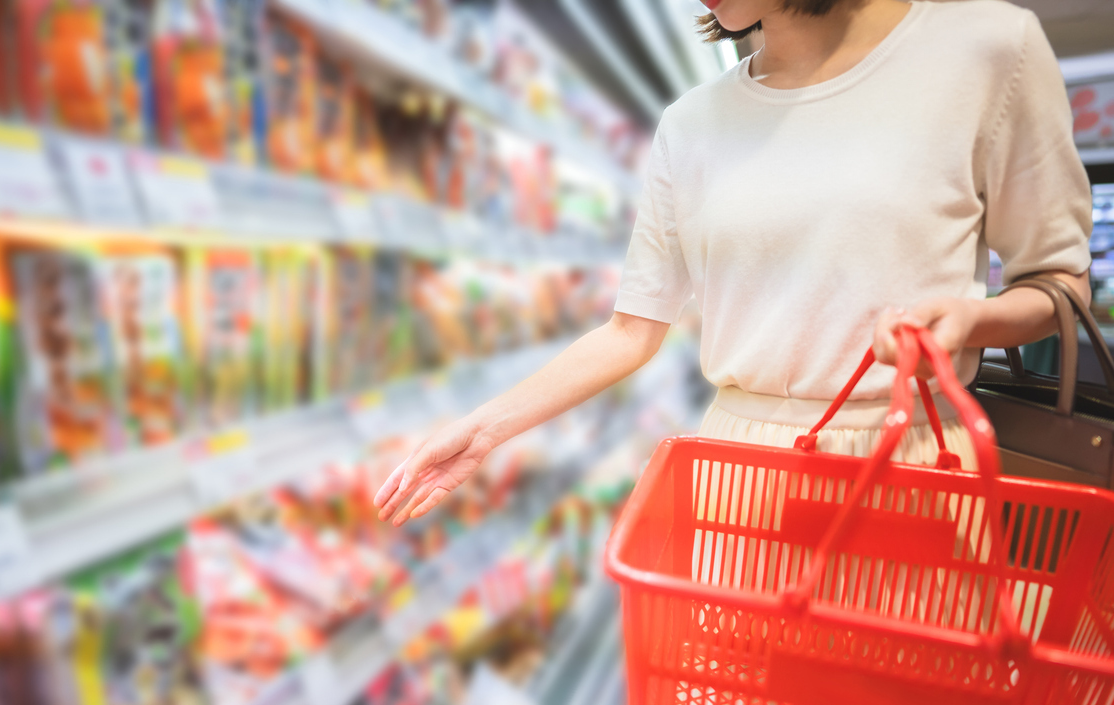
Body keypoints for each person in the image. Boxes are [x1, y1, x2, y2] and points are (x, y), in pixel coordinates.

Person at [374, 0, 1092, 527]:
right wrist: (485, 428)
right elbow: (632, 331)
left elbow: (1059, 283)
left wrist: (973, 320)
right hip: (739, 468)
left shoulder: (989, 47)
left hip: (911, 461)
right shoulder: (692, 122)